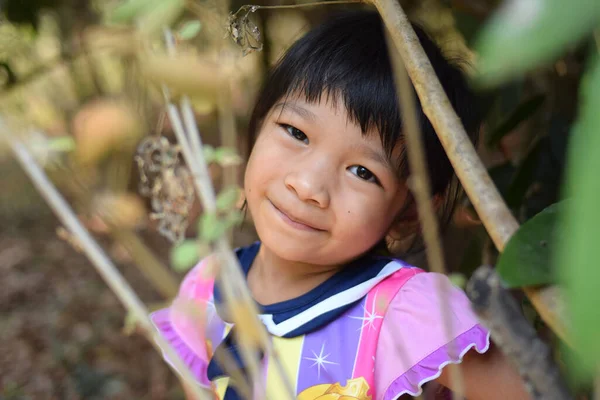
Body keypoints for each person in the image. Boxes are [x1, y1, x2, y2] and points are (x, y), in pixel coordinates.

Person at [151, 9, 530, 400]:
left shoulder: (406, 312)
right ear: (258, 126)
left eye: (362, 172)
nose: (308, 185)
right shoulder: (207, 287)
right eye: (296, 132)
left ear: (410, 212)